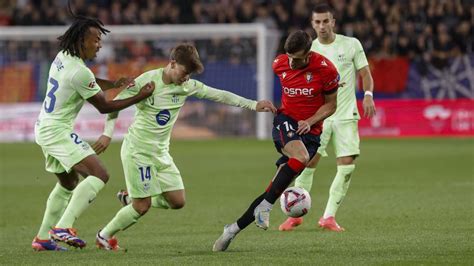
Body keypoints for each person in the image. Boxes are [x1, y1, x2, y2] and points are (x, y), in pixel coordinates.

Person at [91, 43, 277, 250]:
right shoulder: (146, 80)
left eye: (189, 75)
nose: (186, 78)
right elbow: (114, 106)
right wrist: (107, 134)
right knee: (141, 206)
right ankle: (104, 235)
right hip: (138, 151)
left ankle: (129, 198)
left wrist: (253, 104)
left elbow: (220, 94)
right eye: (184, 72)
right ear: (172, 63)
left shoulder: (187, 86)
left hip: (161, 152)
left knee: (177, 201)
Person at [31, 9, 155, 251]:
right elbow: (104, 105)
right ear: (81, 40)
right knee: (100, 175)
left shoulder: (63, 57)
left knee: (68, 184)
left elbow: (89, 82)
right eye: (95, 39)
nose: (99, 45)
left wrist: (113, 84)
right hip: (56, 131)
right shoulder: (80, 71)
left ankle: (43, 238)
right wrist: (141, 95)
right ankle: (63, 227)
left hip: (44, 127)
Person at [213, 30, 340, 252]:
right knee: (299, 159)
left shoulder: (326, 69)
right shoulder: (279, 64)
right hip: (286, 122)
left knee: (274, 189)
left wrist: (310, 121)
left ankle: (232, 229)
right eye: (289, 56)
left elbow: (331, 105)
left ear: (308, 54)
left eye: (297, 58)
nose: (291, 62)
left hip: (311, 133)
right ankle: (266, 206)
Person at [279, 3, 376, 232]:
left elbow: (365, 73)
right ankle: (295, 214)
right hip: (319, 117)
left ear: (333, 22)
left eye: (325, 21)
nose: (321, 26)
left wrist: (368, 95)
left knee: (346, 165)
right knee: (307, 163)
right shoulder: (308, 51)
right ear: (312, 24)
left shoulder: (351, 44)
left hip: (345, 115)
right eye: (317, 22)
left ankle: (329, 217)